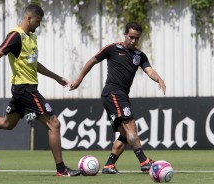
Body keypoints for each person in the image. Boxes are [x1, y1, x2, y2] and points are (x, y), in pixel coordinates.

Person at [0, 3, 80, 177]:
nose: (39, 25)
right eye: (38, 21)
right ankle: (62, 170)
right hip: (25, 89)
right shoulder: (15, 36)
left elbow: (34, 65)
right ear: (29, 18)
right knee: (54, 124)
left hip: (23, 90)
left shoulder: (31, 38)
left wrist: (56, 77)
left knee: (8, 123)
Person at [70, 22, 166, 174]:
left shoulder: (139, 55)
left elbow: (149, 70)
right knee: (131, 127)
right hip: (113, 92)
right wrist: (78, 80)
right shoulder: (112, 49)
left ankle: (109, 166)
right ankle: (144, 162)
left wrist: (159, 79)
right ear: (125, 34)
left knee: (125, 133)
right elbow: (92, 61)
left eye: (136, 38)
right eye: (131, 37)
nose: (133, 41)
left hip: (121, 95)